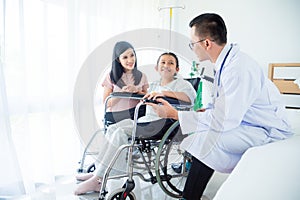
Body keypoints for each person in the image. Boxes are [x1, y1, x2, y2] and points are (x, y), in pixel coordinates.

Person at [148, 13, 293, 200]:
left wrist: (175, 114)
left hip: (266, 128)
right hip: (246, 120)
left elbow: (224, 120)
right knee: (202, 136)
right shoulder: (225, 63)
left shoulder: (238, 68)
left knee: (207, 140)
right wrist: (207, 110)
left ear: (206, 43)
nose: (192, 48)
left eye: (193, 44)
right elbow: (224, 104)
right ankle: (190, 190)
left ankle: (189, 196)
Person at [74, 52, 196, 195]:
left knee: (121, 133)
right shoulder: (154, 84)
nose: (166, 66)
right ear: (157, 68)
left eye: (171, 63)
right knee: (114, 128)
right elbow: (145, 94)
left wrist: (165, 93)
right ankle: (99, 170)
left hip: (164, 124)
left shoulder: (182, 84)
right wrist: (135, 90)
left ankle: (100, 178)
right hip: (146, 122)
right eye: (163, 62)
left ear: (177, 69)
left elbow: (189, 98)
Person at [102, 41, 149, 123]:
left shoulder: (142, 76)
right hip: (115, 117)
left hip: (135, 117)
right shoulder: (111, 76)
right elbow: (106, 103)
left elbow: (147, 99)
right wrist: (122, 93)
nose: (130, 60)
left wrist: (137, 91)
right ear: (118, 60)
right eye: (125, 57)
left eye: (132, 55)